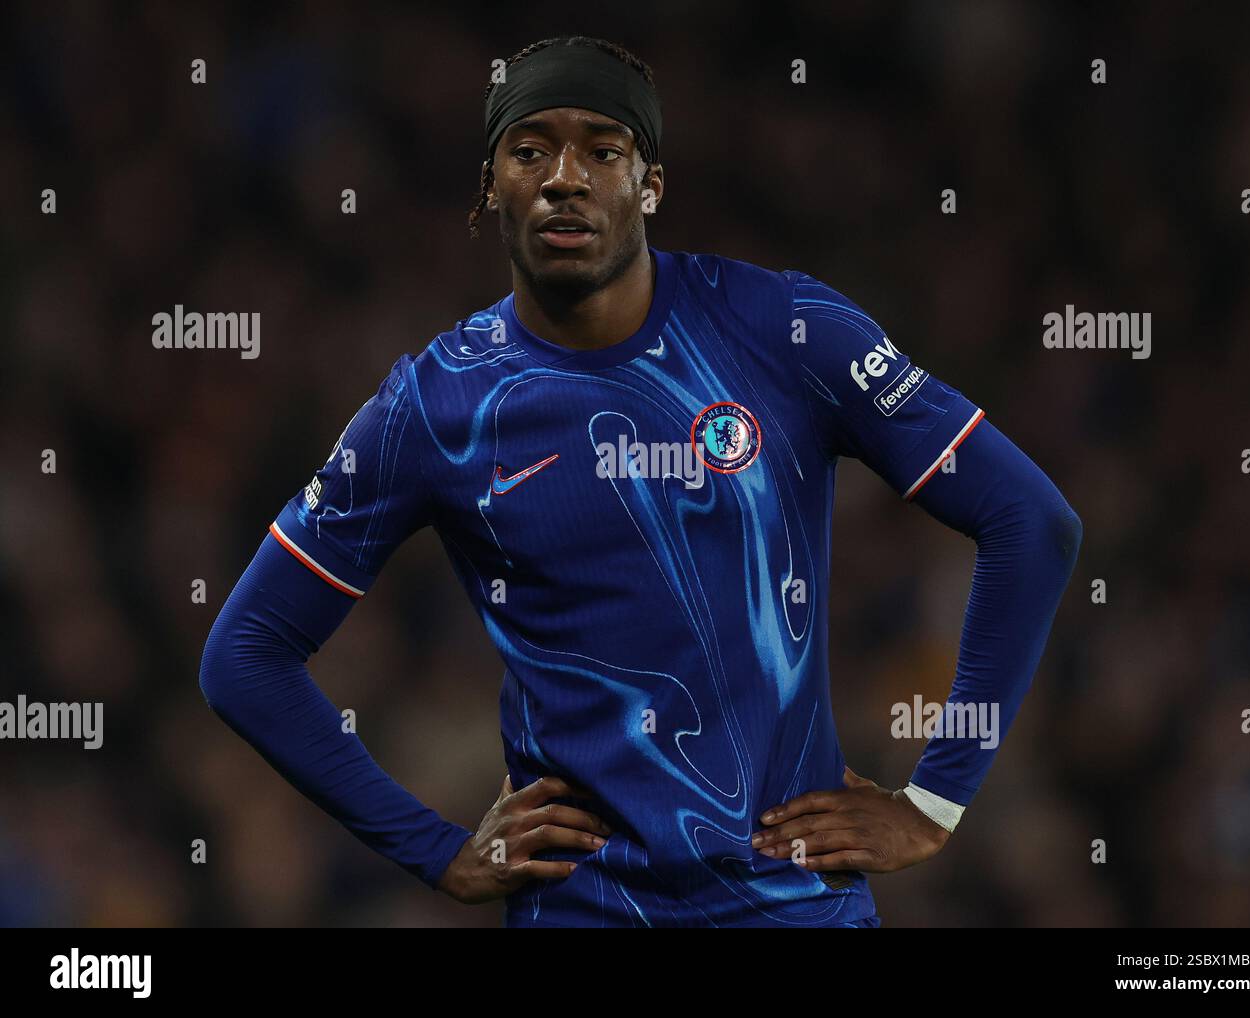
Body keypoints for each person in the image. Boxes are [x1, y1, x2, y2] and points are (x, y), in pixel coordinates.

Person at [200, 35, 1082, 928]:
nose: (565, 177)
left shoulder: (785, 330)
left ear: (651, 184)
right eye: (531, 149)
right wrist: (433, 849)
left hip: (791, 905)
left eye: (604, 150)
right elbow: (244, 655)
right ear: (491, 185)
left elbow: (1030, 519)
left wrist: (934, 802)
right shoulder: (434, 404)